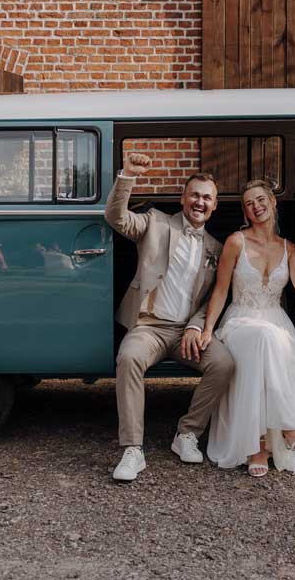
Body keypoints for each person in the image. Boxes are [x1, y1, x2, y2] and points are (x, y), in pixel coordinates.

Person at [104, 152, 235, 482]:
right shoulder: (155, 222)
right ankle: (133, 449)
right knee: (129, 358)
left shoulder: (217, 249)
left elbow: (215, 297)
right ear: (183, 198)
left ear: (215, 205)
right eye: (195, 195)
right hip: (149, 325)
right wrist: (128, 176)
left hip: (186, 332)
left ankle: (187, 434)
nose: (200, 202)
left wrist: (196, 325)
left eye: (207, 197)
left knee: (224, 363)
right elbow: (116, 218)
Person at [199, 179, 295, 477]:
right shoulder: (236, 241)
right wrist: (208, 329)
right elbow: (221, 291)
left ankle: (259, 446)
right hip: (239, 321)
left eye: (261, 200)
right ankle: (289, 426)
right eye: (249, 204)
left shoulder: (290, 249)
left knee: (269, 342)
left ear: (273, 203)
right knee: (262, 338)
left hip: (275, 321)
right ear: (246, 212)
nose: (256, 207)